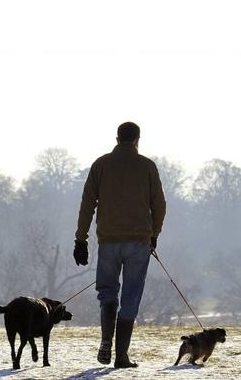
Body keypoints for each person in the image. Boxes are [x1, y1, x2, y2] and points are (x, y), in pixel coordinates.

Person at [72, 122, 166, 368]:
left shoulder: (101, 165)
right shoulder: (147, 166)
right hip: (138, 242)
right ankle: (121, 356)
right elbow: (160, 205)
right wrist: (154, 234)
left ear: (117, 138)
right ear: (137, 140)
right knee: (131, 296)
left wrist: (80, 239)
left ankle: (106, 341)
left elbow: (87, 204)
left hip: (108, 241)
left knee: (107, 292)